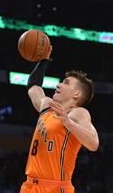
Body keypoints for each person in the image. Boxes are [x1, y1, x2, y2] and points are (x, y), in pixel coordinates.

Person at [20, 47, 99, 193]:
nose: (58, 85)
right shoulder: (46, 105)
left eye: (66, 83)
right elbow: (33, 86)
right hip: (30, 186)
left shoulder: (78, 113)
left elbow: (93, 144)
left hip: (56, 188)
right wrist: (43, 61)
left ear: (76, 94)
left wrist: (68, 123)